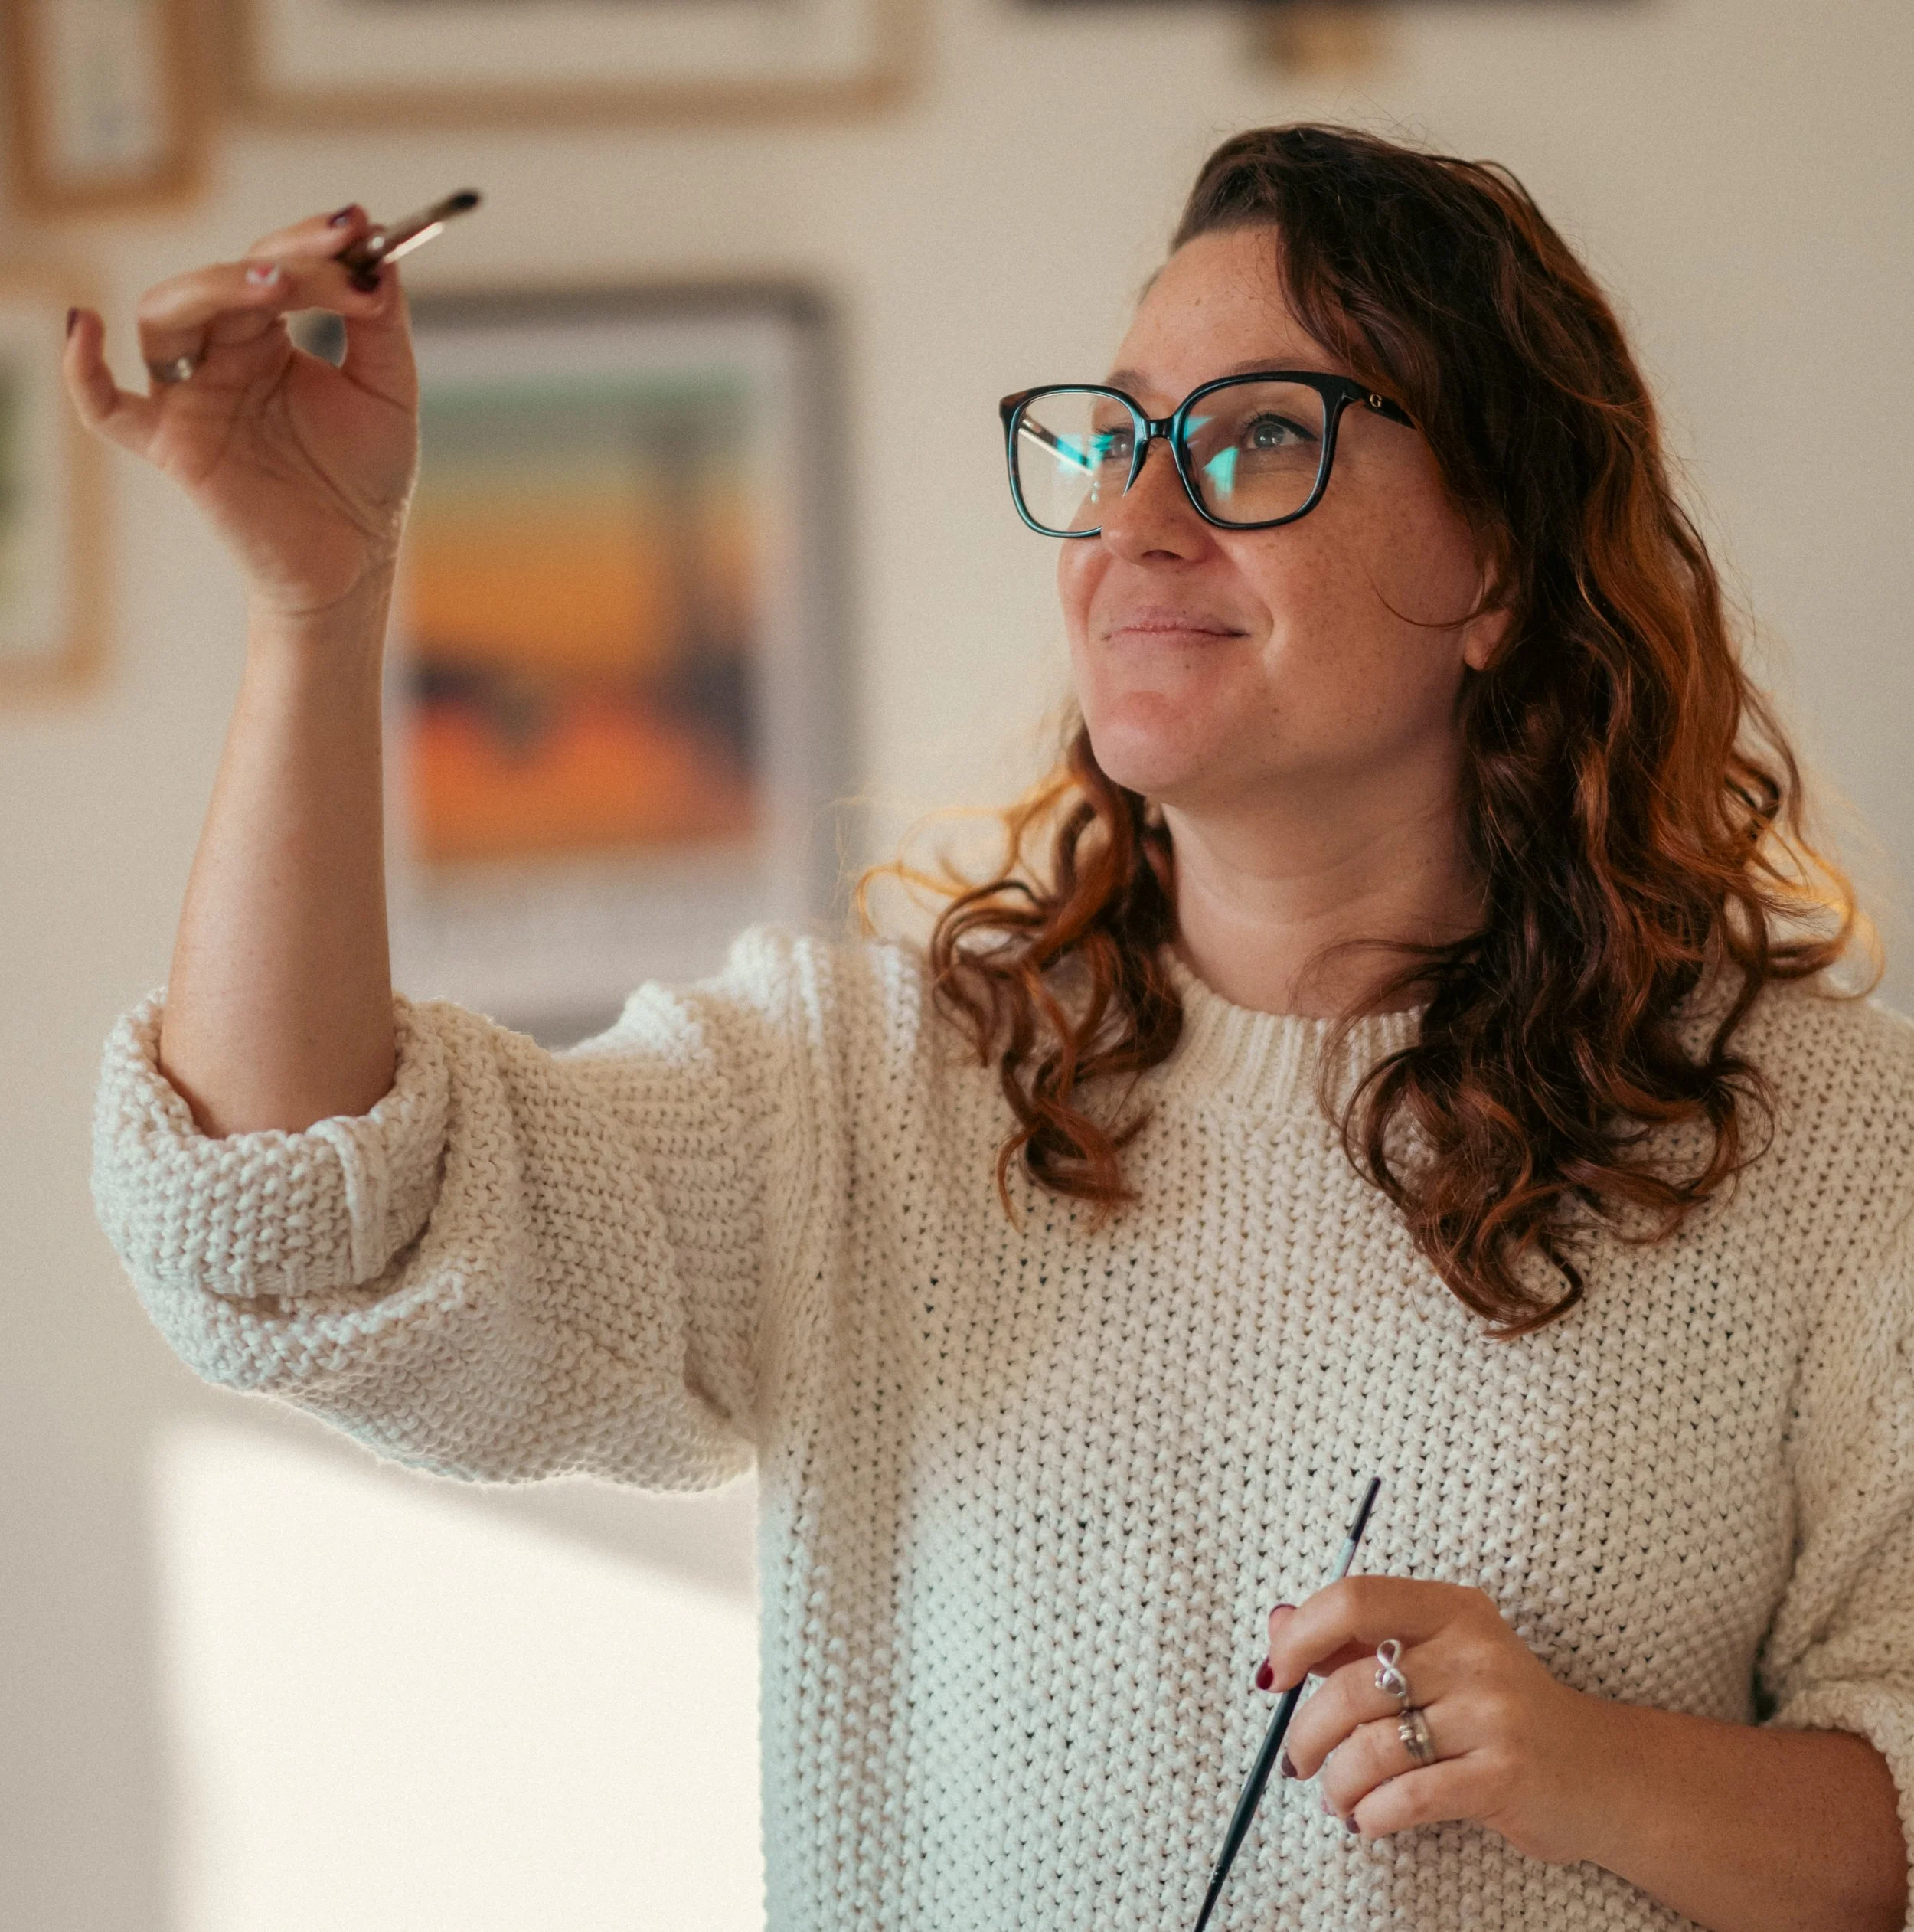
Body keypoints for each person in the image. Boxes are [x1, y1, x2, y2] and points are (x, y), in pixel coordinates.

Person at [74, 124, 1914, 1932]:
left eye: (1258, 436)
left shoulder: (1833, 1140)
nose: (1133, 517)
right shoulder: (855, 1095)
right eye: (1110, 437)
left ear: (1500, 565)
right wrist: (316, 603)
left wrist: (1586, 1763)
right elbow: (285, 1228)